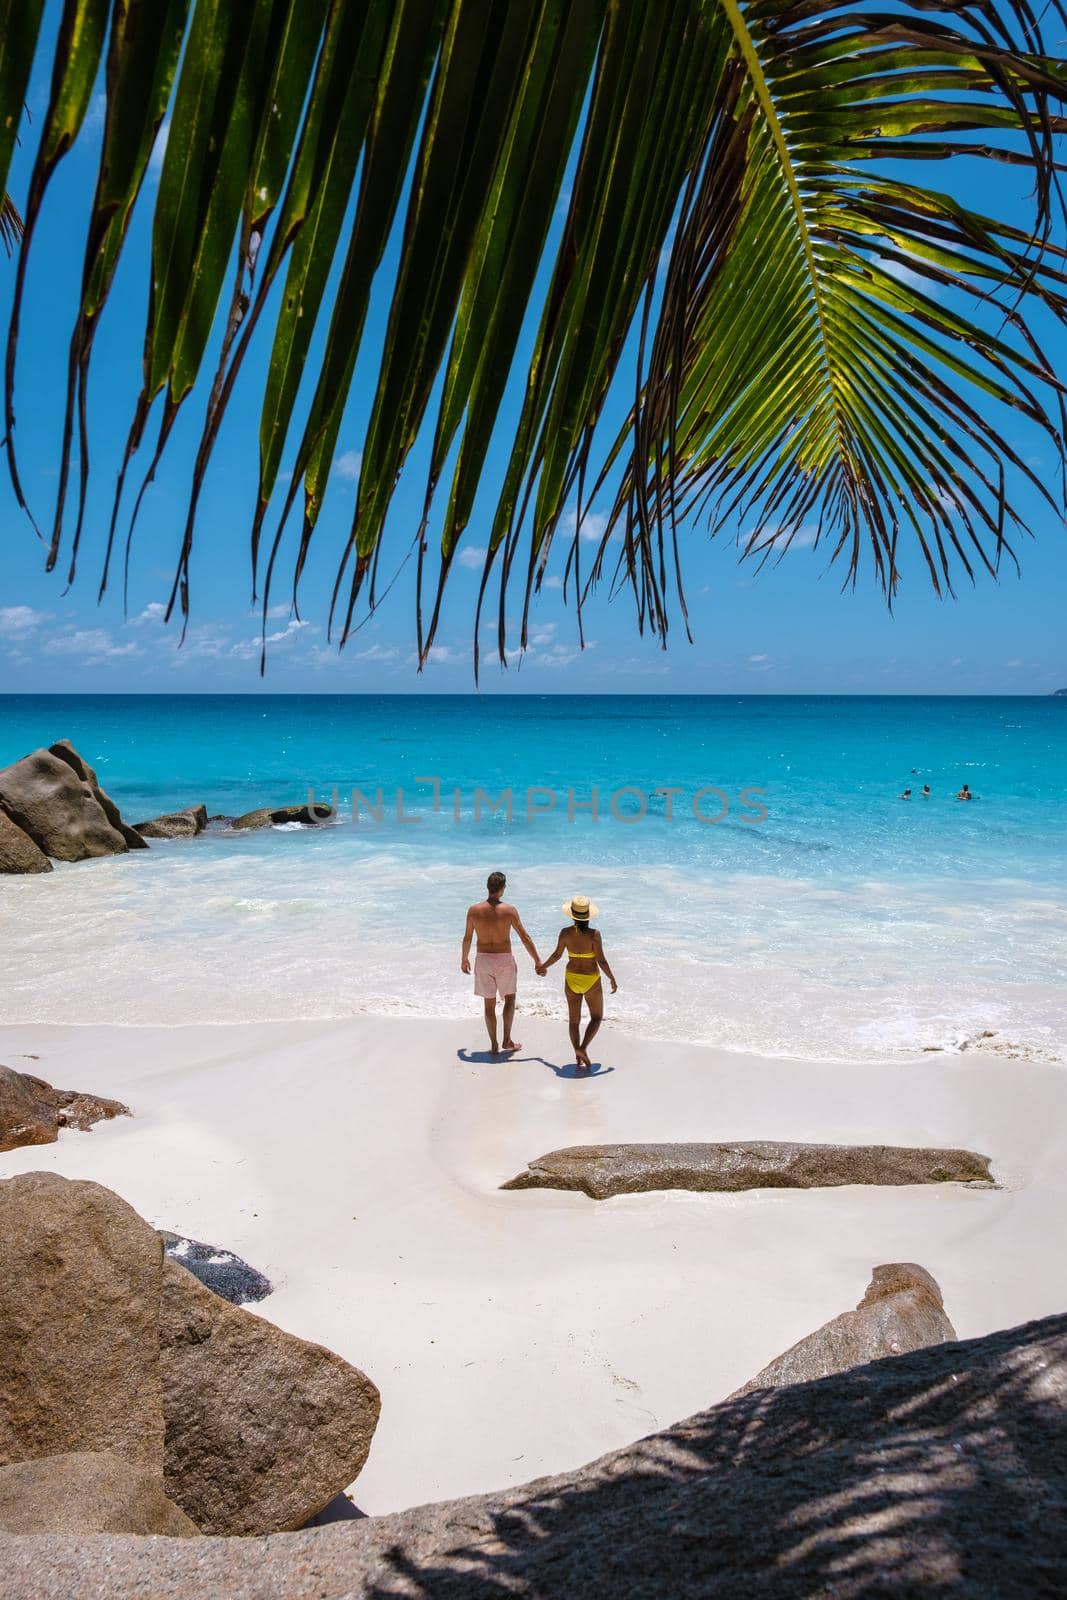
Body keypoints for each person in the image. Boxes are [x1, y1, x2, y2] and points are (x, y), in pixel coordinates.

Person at [461, 871, 541, 1056]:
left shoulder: (474, 910)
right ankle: (507, 1039)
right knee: (510, 999)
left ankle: (494, 1044)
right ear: (503, 888)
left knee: (488, 1005)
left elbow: (467, 938)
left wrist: (464, 958)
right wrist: (537, 959)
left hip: (483, 959)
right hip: (504, 959)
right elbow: (524, 936)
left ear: (488, 887)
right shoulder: (509, 910)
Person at [537, 895, 617, 1071]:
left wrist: (543, 966)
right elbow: (601, 960)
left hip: (571, 978)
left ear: (572, 915)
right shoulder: (594, 935)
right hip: (591, 979)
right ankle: (582, 1048)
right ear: (588, 915)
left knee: (574, 1021)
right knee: (596, 1017)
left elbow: (557, 955)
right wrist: (611, 977)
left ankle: (578, 1056)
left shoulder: (565, 933)